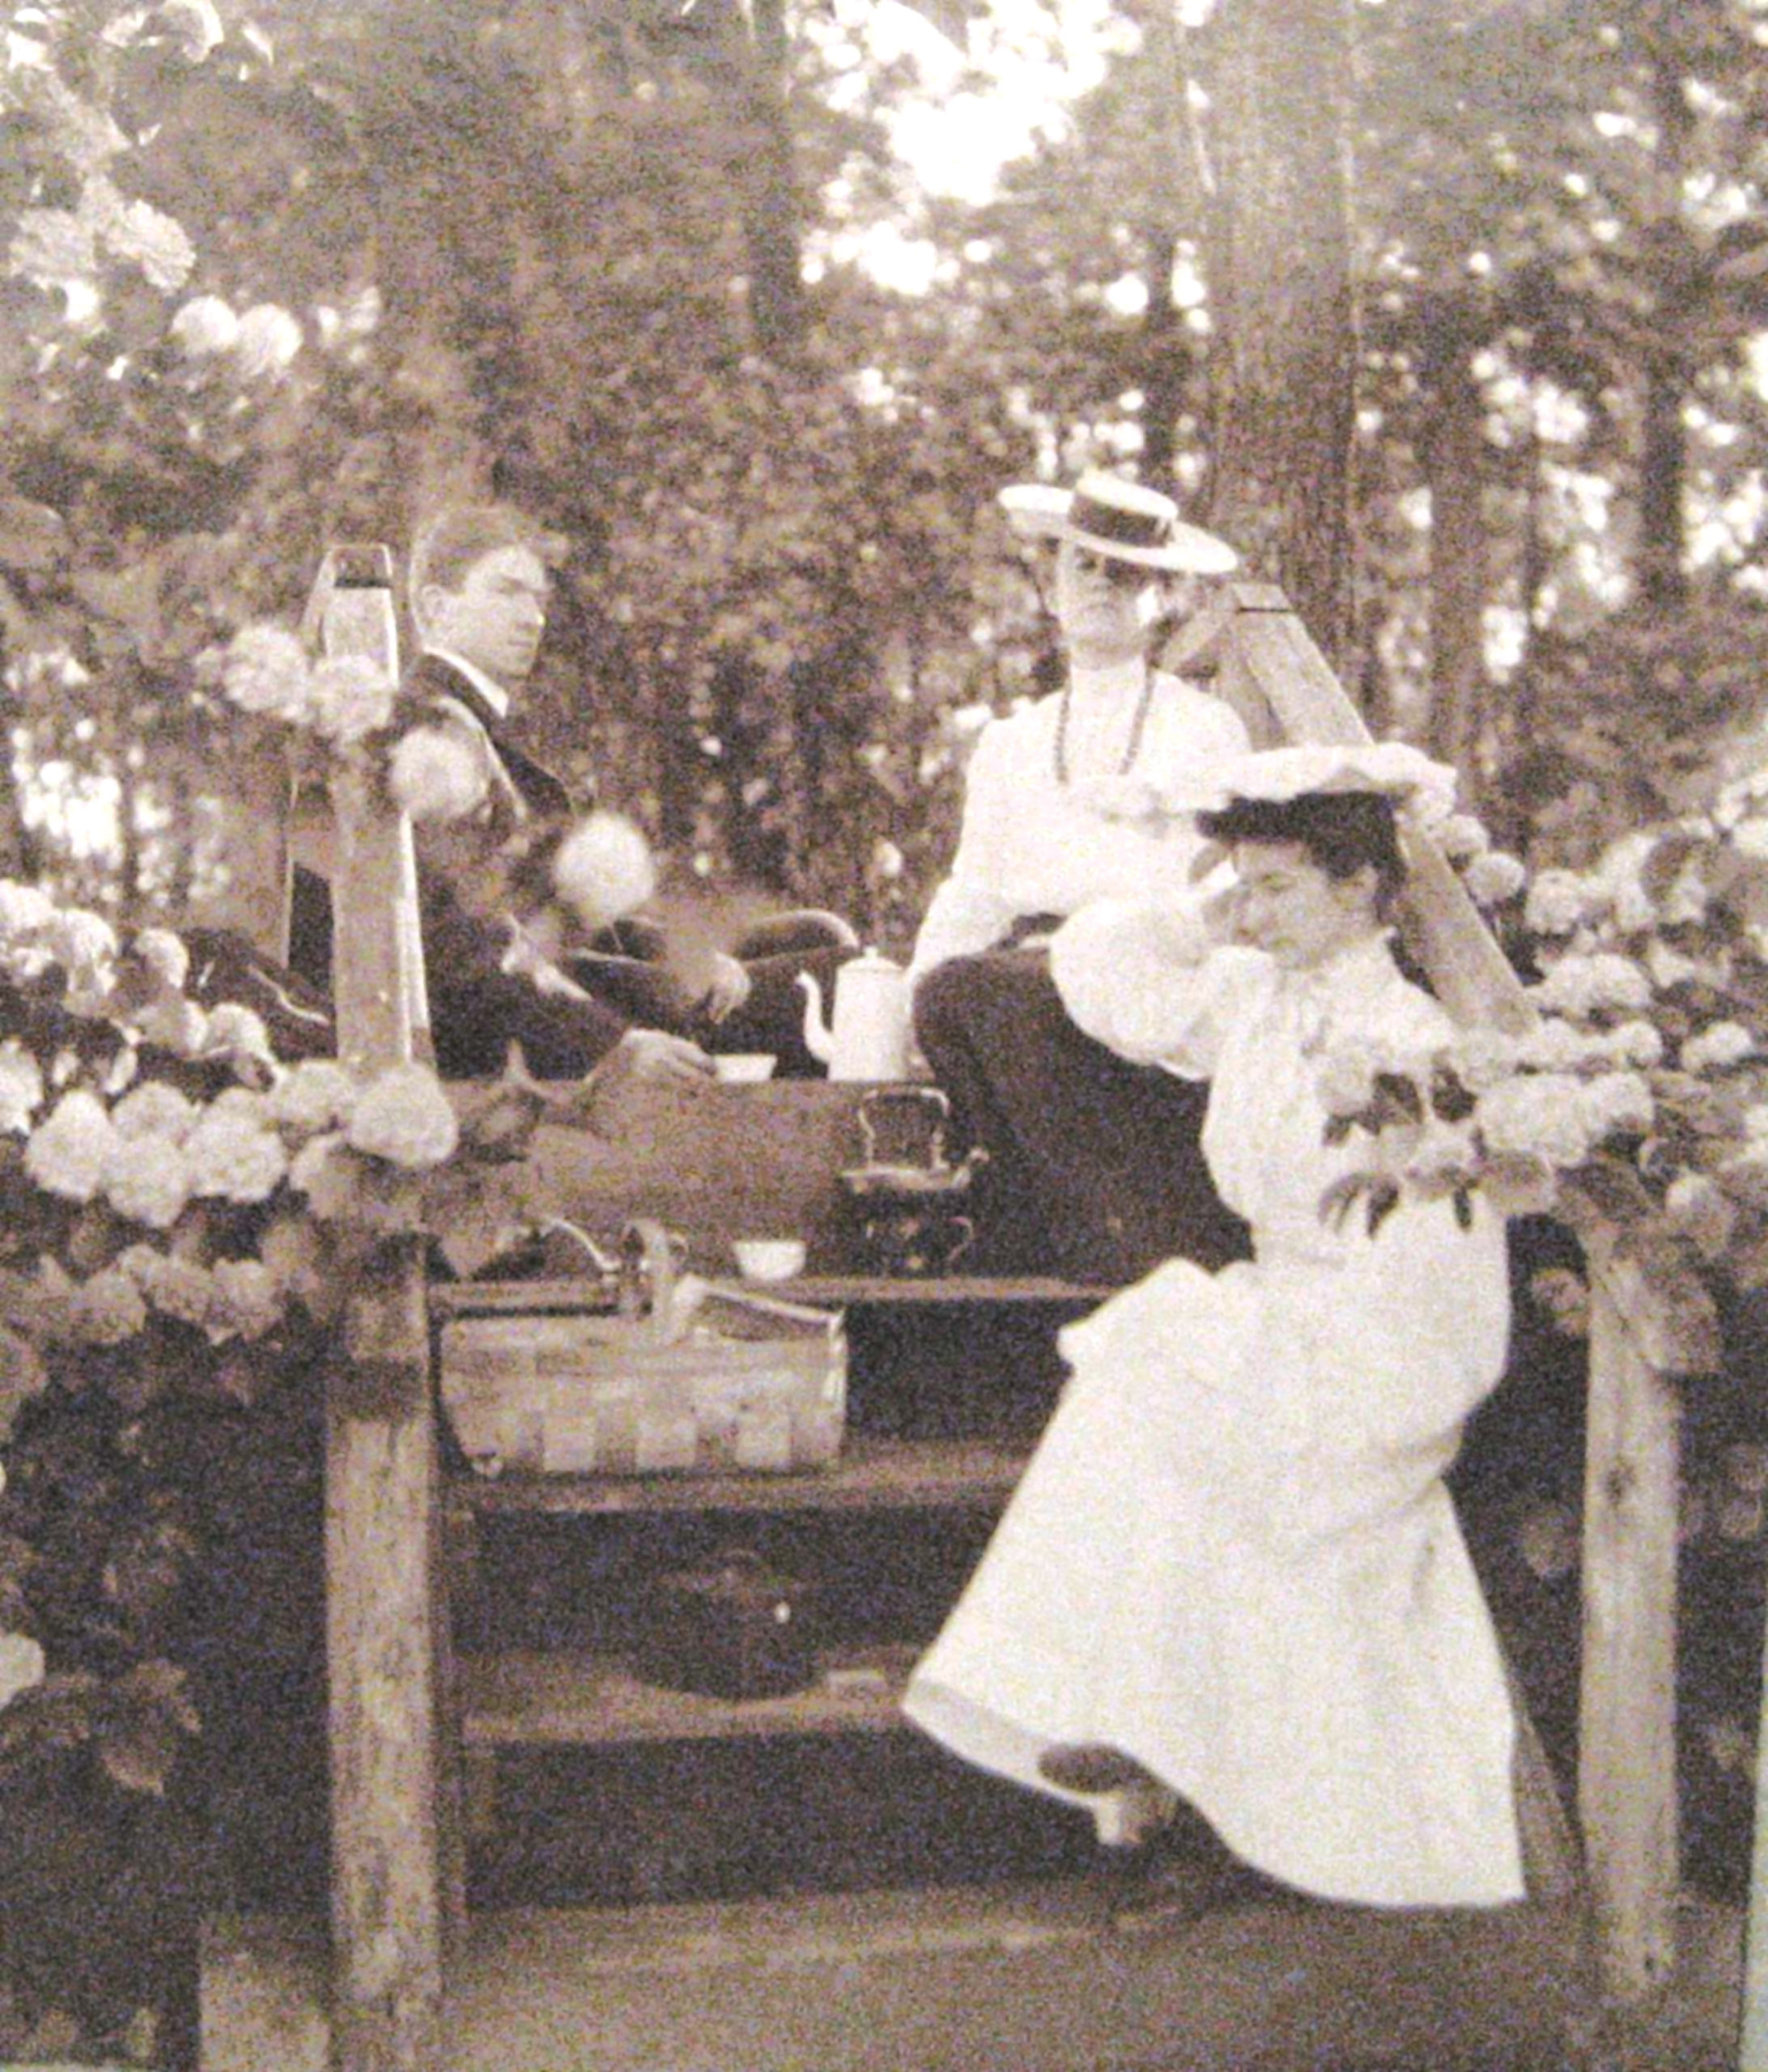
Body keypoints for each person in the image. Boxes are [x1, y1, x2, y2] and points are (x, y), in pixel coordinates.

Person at [902, 743, 1525, 1912]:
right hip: (1276, 1308)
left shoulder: (1415, 1045)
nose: (1255, 912)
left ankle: (1145, 1753)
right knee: (1145, 1369)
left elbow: (1442, 1279)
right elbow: (1100, 968)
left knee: (1167, 1386)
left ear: (1365, 890)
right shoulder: (1249, 1000)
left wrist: (1367, 1380)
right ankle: (1133, 1745)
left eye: (1282, 887)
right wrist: (1204, 908)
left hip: (1387, 1339)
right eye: (1244, 885)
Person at [368, 500, 856, 1083]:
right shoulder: (431, 733)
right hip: (546, 1028)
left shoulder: (468, 726)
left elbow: (568, 914)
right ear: (435, 607)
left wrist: (685, 958)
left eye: (538, 599)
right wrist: (612, 1047)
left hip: (582, 985)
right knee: (844, 981)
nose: (533, 619)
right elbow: (459, 953)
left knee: (817, 939)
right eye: (506, 592)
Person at [908, 469, 1254, 1283]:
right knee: (950, 990)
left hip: (1147, 981)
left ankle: (1115, 1246)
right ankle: (1055, 1235)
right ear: (1056, 588)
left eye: (1125, 571)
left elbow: (1221, 886)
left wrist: (1136, 942)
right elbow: (974, 893)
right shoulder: (1009, 743)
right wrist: (909, 995)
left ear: (1164, 597)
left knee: (986, 992)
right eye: (1082, 566)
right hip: (1023, 982)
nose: (1100, 584)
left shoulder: (1205, 727)